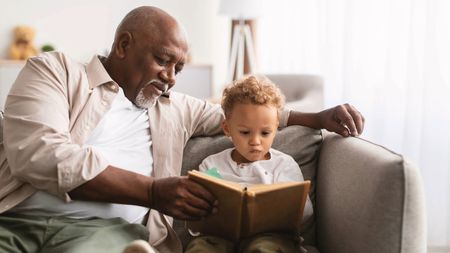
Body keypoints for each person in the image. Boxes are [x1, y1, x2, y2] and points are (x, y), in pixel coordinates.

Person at [0, 5, 364, 253]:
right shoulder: (56, 72)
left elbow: (240, 114)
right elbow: (39, 154)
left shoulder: (176, 108)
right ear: (124, 45)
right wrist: (153, 191)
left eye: (180, 68)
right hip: (14, 219)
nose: (171, 79)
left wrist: (315, 118)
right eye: (163, 61)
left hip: (101, 233)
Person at [185, 75, 313, 253]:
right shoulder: (212, 165)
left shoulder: (283, 165)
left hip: (270, 236)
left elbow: (305, 213)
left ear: (276, 129)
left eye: (265, 133)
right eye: (245, 132)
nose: (255, 141)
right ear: (227, 128)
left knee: (263, 249)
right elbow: (196, 217)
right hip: (220, 236)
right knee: (200, 248)